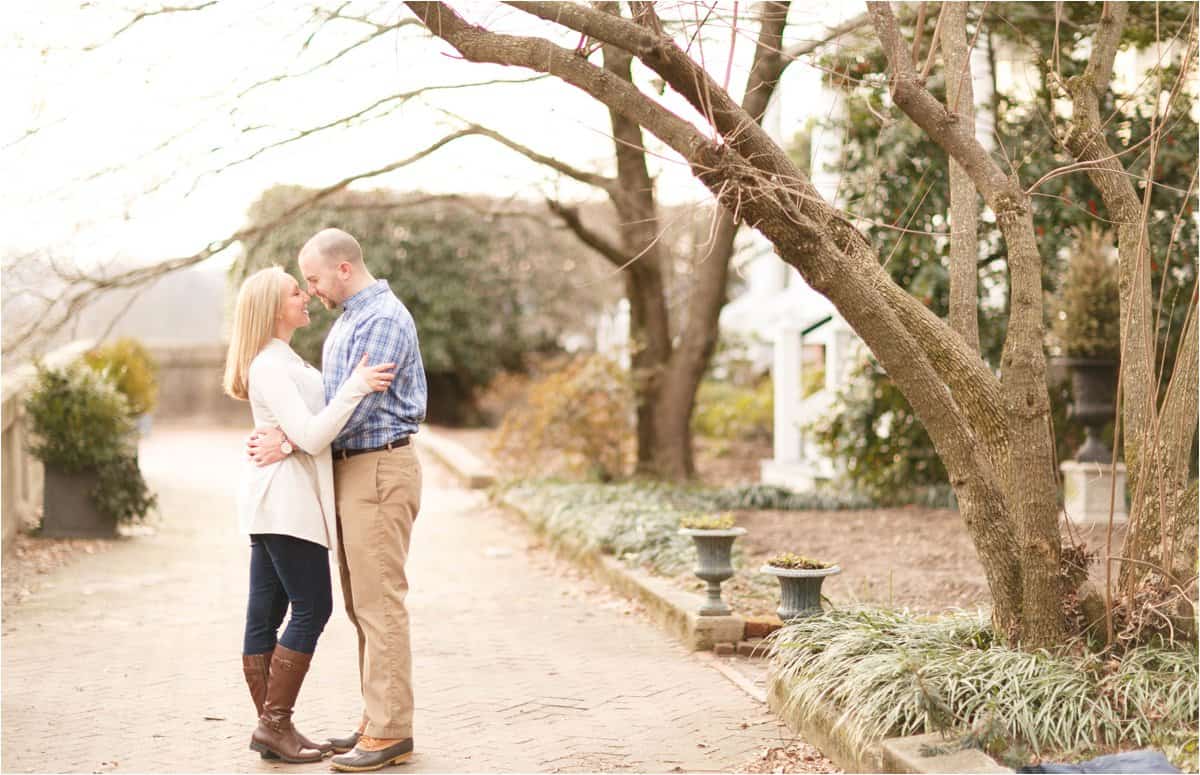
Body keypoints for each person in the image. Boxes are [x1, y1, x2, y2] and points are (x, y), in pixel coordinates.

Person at [248, 228, 427, 773]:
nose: (313, 291)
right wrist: (291, 433)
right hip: (353, 473)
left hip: (378, 469)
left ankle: (390, 730)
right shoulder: (350, 318)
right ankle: (378, 719)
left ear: (344, 269)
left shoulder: (382, 319)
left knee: (379, 603)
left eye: (316, 280)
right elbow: (329, 400)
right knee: (361, 605)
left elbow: (362, 410)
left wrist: (293, 438)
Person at [223, 266, 396, 764]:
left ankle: (273, 729)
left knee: (265, 614)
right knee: (312, 608)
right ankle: (274, 725)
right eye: (295, 292)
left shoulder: (280, 358)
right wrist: (358, 385)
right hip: (286, 504)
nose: (305, 296)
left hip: (278, 501)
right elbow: (315, 432)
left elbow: (301, 430)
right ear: (273, 309)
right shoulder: (271, 365)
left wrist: (285, 437)